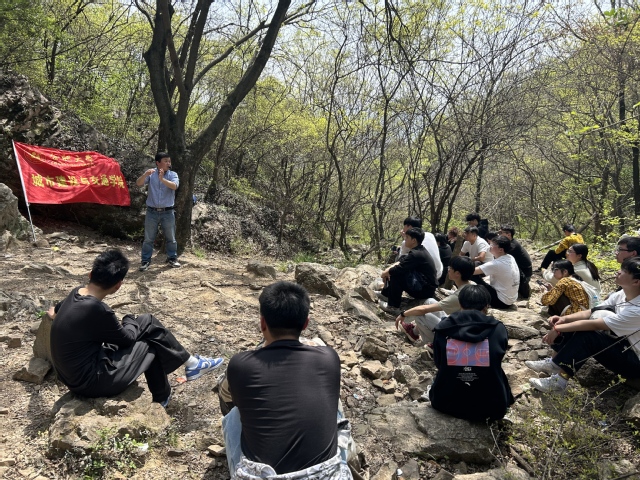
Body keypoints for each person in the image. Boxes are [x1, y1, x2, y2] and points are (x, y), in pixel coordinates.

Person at [49, 249, 223, 407]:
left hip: (72, 376)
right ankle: (168, 390)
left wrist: (54, 314)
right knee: (150, 341)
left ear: (90, 274)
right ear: (118, 285)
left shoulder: (76, 292)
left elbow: (55, 311)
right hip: (90, 382)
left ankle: (190, 366)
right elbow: (128, 340)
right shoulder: (97, 310)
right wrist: (128, 319)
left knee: (147, 323)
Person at [222, 281, 352, 478]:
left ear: (262, 323)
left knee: (234, 415)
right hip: (326, 475)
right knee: (334, 408)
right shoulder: (328, 358)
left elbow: (236, 401)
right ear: (306, 324)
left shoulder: (240, 364)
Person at [526, 256, 640, 393]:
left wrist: (558, 328)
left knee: (587, 335)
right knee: (577, 323)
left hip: (634, 361)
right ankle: (554, 363)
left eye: (624, 271)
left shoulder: (637, 310)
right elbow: (592, 311)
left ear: (636, 281)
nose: (618, 272)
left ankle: (559, 382)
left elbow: (595, 325)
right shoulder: (622, 294)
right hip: (622, 344)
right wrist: (564, 319)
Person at [429, 285, 514, 421]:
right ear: (486, 306)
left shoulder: (443, 328)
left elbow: (439, 363)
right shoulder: (498, 328)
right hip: (491, 407)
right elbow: (498, 358)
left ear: (460, 304)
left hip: (445, 402)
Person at [395, 256, 475, 345]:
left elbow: (423, 310)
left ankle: (435, 344)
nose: (448, 269)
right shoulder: (471, 285)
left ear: (457, 274)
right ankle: (414, 333)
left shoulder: (459, 296)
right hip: (462, 328)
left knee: (420, 315)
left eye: (451, 268)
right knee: (430, 301)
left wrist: (403, 314)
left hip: (458, 337)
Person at [136, 152, 181, 271]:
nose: (168, 163)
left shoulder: (173, 174)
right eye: (165, 161)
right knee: (148, 239)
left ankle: (172, 259)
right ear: (158, 163)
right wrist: (145, 174)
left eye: (169, 161)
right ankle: (145, 261)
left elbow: (174, 186)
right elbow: (139, 183)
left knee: (171, 237)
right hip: (152, 212)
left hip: (168, 212)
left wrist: (162, 179)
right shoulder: (151, 174)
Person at [379, 228, 438, 316]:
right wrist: (387, 271)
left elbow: (399, 269)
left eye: (407, 237)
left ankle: (393, 307)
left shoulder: (416, 254)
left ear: (413, 240)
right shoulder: (419, 250)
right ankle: (386, 295)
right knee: (397, 267)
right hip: (424, 285)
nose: (405, 239)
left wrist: (385, 273)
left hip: (425, 290)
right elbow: (402, 262)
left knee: (396, 274)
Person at [471, 235, 520, 309]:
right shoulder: (510, 257)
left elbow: (472, 271)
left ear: (501, 250)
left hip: (501, 301)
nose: (489, 246)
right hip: (511, 299)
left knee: (471, 275)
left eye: (492, 244)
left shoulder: (497, 263)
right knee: (477, 265)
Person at [498, 224, 533, 299]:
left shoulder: (512, 246)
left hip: (524, 273)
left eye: (501, 233)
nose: (499, 235)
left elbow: (501, 258)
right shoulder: (509, 244)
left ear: (508, 234)